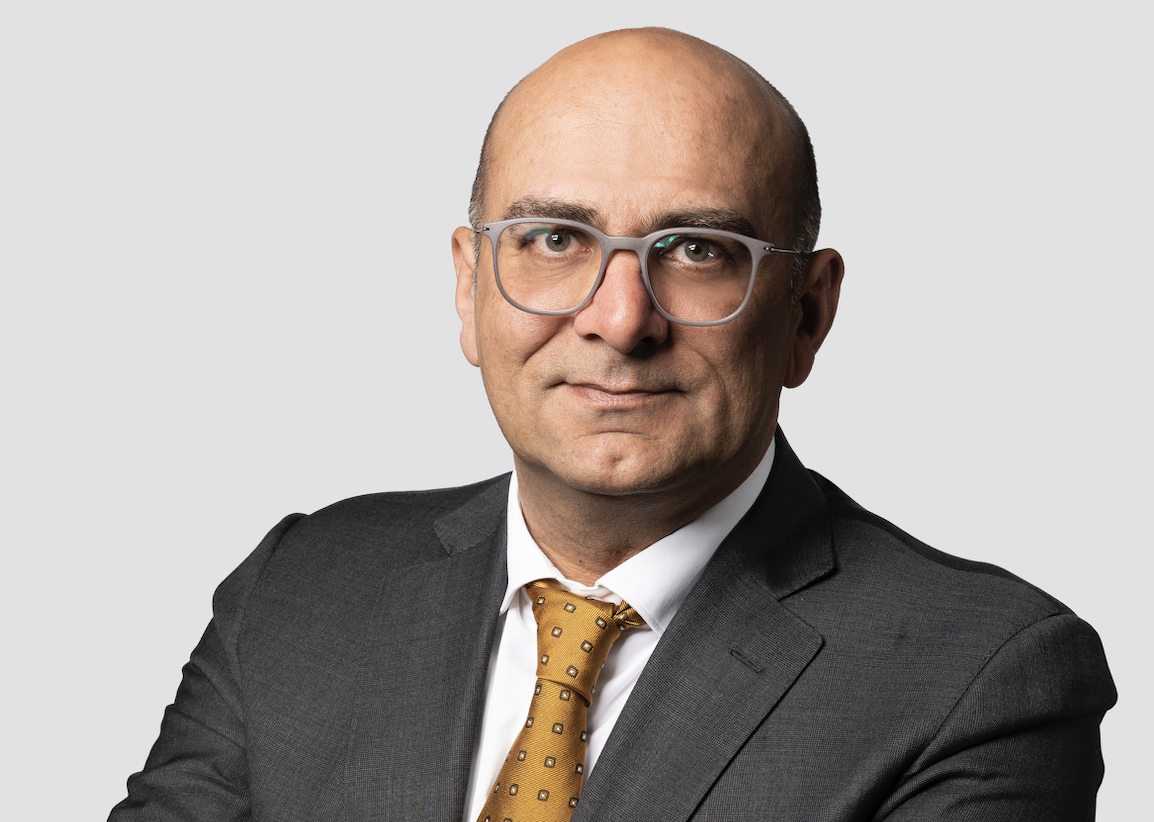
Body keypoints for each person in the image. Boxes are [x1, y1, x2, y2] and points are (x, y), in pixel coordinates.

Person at [109, 27, 1116, 822]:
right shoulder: (299, 592)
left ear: (806, 313)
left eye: (698, 250)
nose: (621, 320)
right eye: (554, 239)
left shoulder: (980, 679)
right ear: (468, 288)